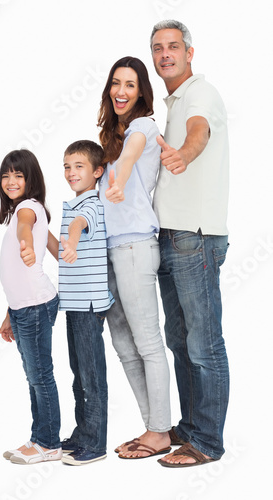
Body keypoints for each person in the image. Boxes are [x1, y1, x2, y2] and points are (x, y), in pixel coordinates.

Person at [150, 20, 230, 468]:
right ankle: (190, 427)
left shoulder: (199, 95)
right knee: (179, 339)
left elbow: (199, 132)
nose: (165, 54)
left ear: (189, 52)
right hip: (172, 236)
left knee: (203, 344)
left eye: (173, 47)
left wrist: (184, 152)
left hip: (194, 238)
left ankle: (208, 442)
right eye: (158, 48)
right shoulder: (173, 101)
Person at [98, 56, 172, 459]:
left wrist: (119, 181)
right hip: (110, 249)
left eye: (129, 84)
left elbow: (128, 161)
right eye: (115, 83)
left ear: (142, 91)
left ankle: (160, 430)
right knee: (124, 346)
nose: (121, 92)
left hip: (135, 247)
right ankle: (153, 427)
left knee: (147, 343)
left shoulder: (143, 127)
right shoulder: (113, 136)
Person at [0, 149, 62, 464]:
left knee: (40, 375)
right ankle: (39, 439)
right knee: (33, 374)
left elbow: (26, 226)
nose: (11, 181)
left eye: (18, 175)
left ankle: (48, 443)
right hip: (23, 307)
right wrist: (9, 314)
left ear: (30, 179)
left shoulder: (27, 208)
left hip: (36, 305)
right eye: (6, 175)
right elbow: (56, 249)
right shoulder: (23, 211)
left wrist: (25, 244)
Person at [58, 140, 115, 466]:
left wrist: (73, 242)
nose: (70, 172)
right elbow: (63, 250)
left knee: (92, 377)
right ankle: (82, 434)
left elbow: (81, 226)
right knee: (79, 373)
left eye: (78, 166)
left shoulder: (91, 205)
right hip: (75, 305)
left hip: (89, 305)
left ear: (97, 172)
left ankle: (95, 443)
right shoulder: (75, 204)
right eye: (67, 166)